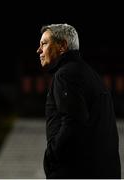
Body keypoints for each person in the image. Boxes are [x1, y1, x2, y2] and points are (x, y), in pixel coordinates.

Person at [36, 23, 121, 179]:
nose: (39, 50)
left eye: (44, 43)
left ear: (62, 46)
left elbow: (73, 123)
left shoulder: (65, 75)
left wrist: (51, 157)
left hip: (74, 171)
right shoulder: (91, 74)